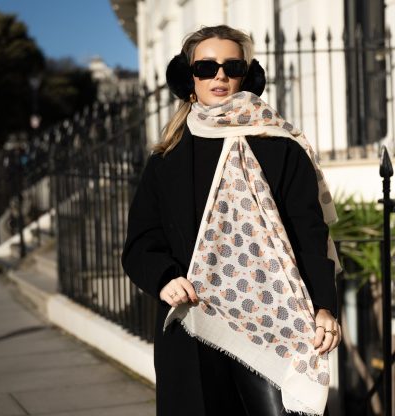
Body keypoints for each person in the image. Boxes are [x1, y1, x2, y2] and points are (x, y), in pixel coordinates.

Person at [121, 24, 342, 416]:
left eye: (231, 66)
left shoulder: (281, 146)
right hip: (194, 321)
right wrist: (164, 277)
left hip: (277, 325)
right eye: (205, 67)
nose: (219, 75)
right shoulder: (166, 159)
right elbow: (142, 239)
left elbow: (309, 233)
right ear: (188, 78)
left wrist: (324, 306)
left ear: (247, 75)